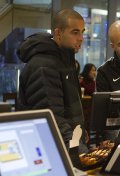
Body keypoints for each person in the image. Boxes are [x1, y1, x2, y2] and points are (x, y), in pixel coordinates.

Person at [17, 9, 89, 166]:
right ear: (58, 34)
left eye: (82, 32)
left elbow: (69, 110)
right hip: (46, 154)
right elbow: (53, 119)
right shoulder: (44, 66)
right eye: (75, 32)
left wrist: (82, 137)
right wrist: (80, 152)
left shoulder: (65, 61)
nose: (81, 38)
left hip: (62, 149)